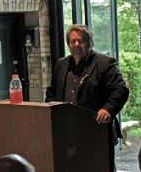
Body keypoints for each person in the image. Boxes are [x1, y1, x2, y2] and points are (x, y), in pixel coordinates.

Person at [45, 24, 129, 172]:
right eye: (72, 41)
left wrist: (107, 109)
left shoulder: (104, 63)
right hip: (67, 132)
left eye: (81, 41)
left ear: (89, 42)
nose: (76, 44)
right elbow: (52, 92)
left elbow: (121, 89)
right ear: (68, 44)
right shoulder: (61, 64)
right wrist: (53, 110)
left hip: (96, 130)